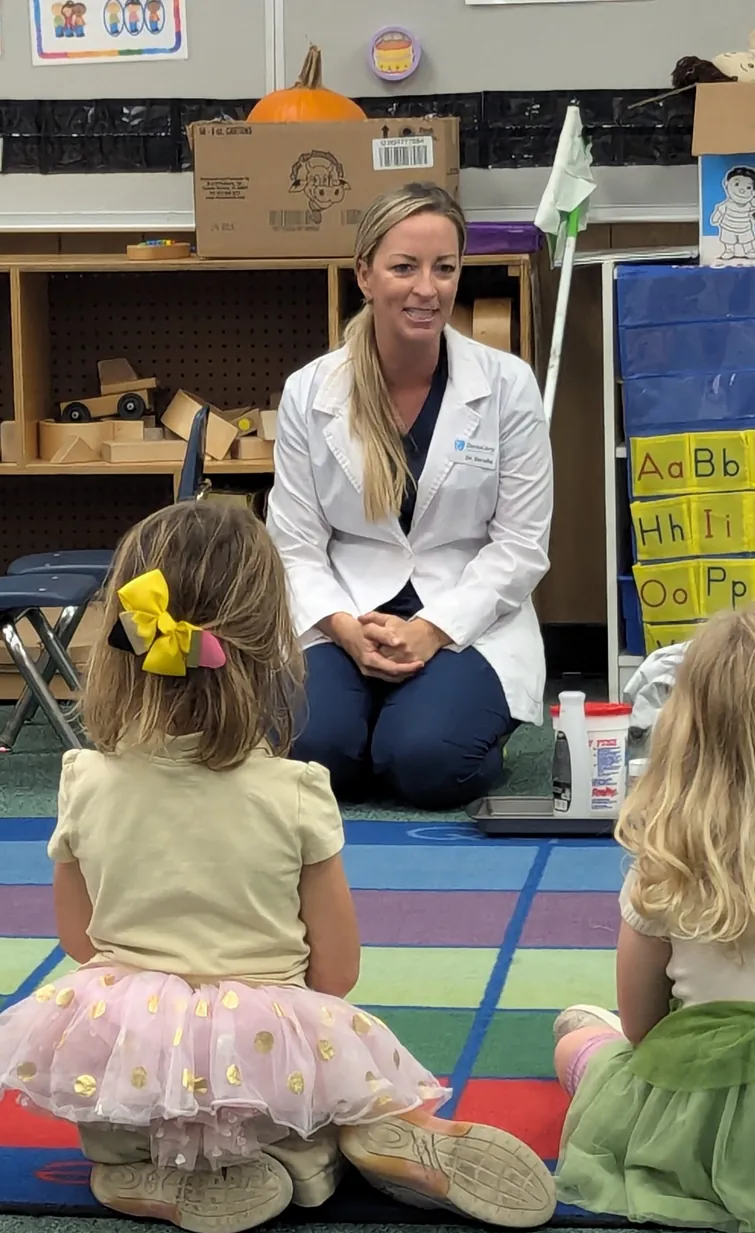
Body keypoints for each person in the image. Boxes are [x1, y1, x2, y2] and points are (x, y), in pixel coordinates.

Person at [0, 500, 555, 1233]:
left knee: (109, 1125)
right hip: (264, 1052)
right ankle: (332, 1145)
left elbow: (80, 939)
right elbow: (336, 971)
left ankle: (148, 1172)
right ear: (273, 645)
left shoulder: (86, 780)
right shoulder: (294, 791)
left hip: (134, 1045)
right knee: (311, 1086)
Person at [267, 182, 553, 811]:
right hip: (344, 614)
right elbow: (293, 543)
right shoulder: (309, 392)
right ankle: (374, 727)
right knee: (314, 759)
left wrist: (430, 630)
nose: (428, 289)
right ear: (364, 274)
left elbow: (522, 547)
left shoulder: (507, 386)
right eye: (405, 267)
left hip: (465, 616)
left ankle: (422, 729)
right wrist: (344, 629)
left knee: (429, 766)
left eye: (444, 269)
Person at [553, 605, 755, 1233]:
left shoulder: (665, 863)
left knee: (579, 1038)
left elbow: (643, 1028)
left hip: (706, 1122)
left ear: (685, 728)